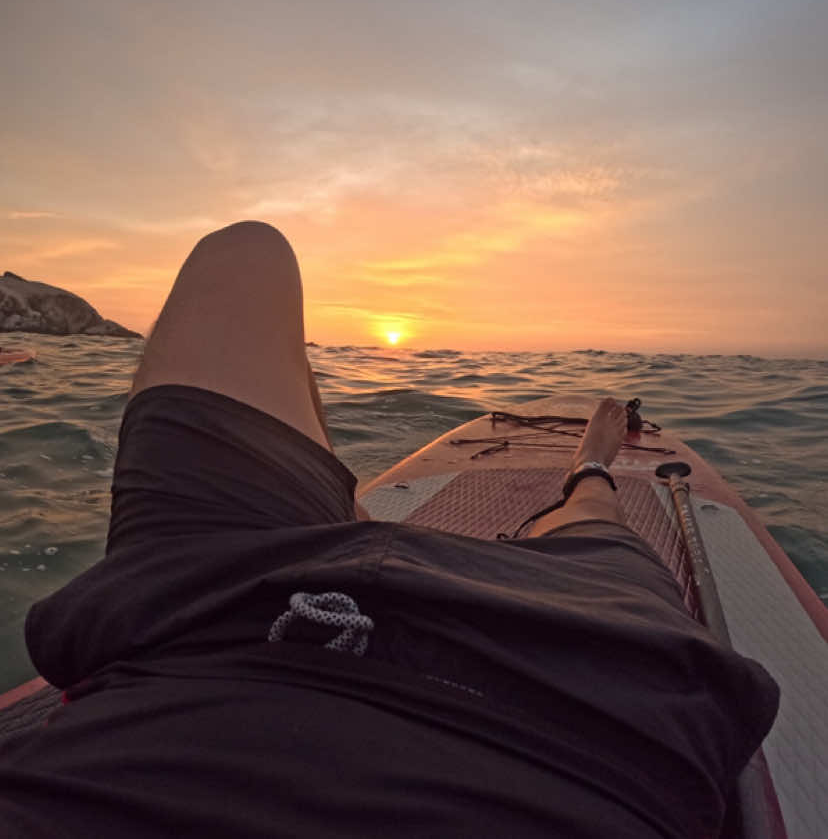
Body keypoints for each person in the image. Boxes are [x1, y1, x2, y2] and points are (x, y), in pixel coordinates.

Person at [0, 222, 778, 838]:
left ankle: (348, 525)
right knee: (592, 511)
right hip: (586, 680)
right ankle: (585, 461)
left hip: (204, 613)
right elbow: (594, 525)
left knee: (242, 255)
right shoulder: (612, 611)